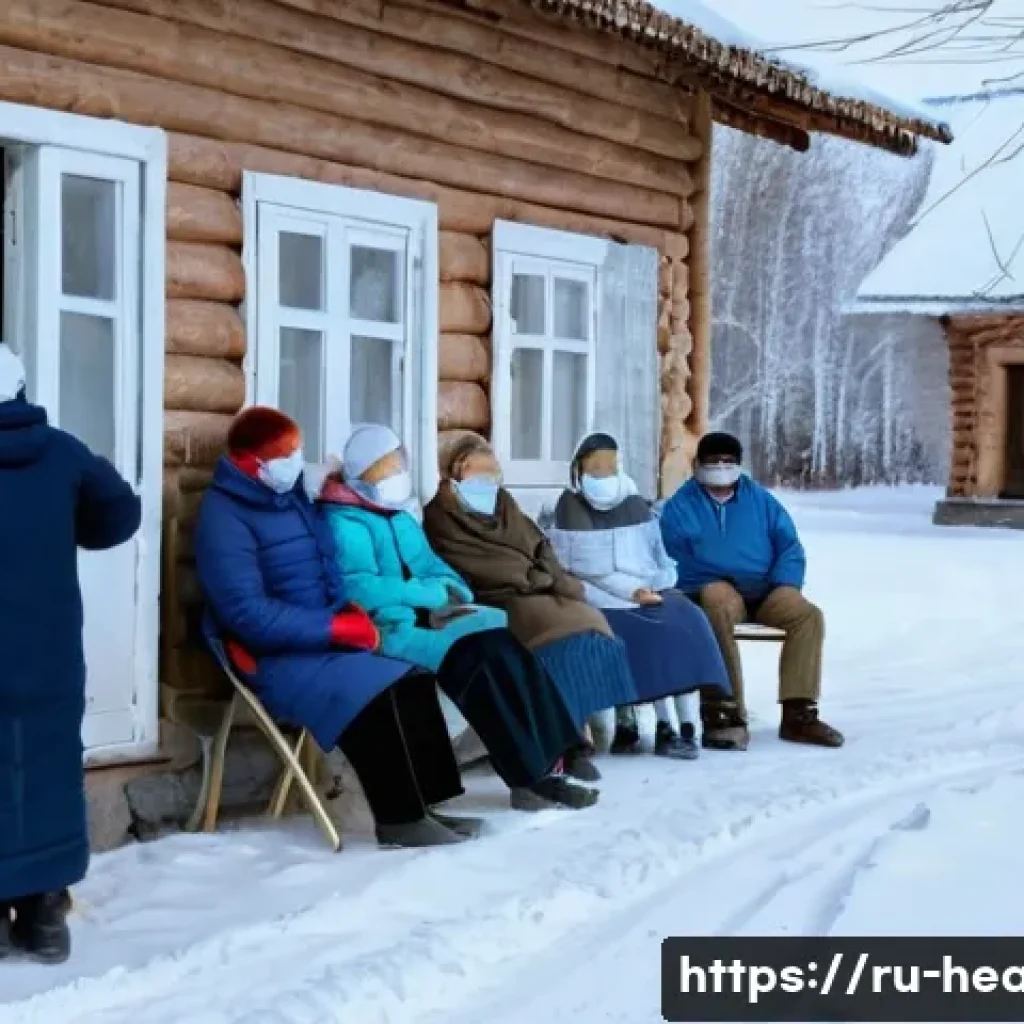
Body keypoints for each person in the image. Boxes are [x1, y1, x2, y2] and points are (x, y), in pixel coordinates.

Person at [319, 423, 597, 810]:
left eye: (396, 465)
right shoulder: (342, 522)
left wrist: (454, 593)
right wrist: (427, 594)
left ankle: (563, 749)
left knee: (505, 644)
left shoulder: (398, 518)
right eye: (385, 468)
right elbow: (359, 589)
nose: (395, 475)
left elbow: (436, 568)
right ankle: (529, 777)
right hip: (388, 628)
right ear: (360, 474)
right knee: (478, 661)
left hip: (430, 617)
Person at [0, 343, 141, 965]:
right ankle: (46, 915)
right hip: (48, 646)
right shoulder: (59, 450)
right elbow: (117, 517)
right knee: (48, 766)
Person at [423, 433, 638, 781]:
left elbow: (541, 546)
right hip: (498, 596)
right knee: (556, 633)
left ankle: (578, 734)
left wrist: (553, 577)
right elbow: (476, 565)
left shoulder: (506, 505)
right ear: (454, 475)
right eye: (475, 474)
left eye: (491, 474)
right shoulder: (441, 517)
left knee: (589, 621)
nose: (486, 482)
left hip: (536, 588)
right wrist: (535, 579)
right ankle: (562, 748)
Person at [549, 433, 732, 760]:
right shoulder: (569, 506)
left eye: (610, 465)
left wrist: (660, 582)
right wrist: (632, 591)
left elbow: (658, 555)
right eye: (596, 467)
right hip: (599, 596)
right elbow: (583, 570)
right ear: (579, 469)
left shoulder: (634, 502)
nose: (604, 473)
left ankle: (685, 725)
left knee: (686, 621)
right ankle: (632, 719)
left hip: (649, 589)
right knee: (638, 632)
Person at [658, 431, 844, 751]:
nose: (720, 467)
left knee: (807, 615)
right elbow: (672, 559)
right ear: (697, 464)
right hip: (716, 590)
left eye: (728, 462)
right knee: (715, 599)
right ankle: (724, 711)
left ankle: (798, 713)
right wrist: (714, 579)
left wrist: (785, 583)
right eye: (713, 462)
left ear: (739, 466)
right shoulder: (679, 507)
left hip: (766, 588)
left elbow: (789, 547)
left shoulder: (762, 501)